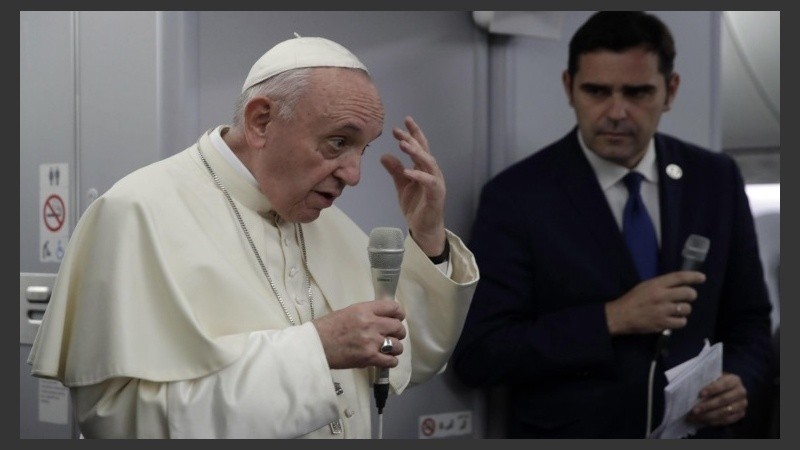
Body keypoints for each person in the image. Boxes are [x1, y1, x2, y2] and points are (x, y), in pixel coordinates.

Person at [27, 35, 479, 439]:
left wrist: (427, 237)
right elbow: (118, 422)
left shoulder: (331, 227)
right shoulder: (137, 212)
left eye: (364, 147)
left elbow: (410, 361)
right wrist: (314, 350)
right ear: (261, 121)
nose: (355, 175)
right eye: (338, 142)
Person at [451, 11, 772, 438]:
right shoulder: (517, 197)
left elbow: (749, 319)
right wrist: (611, 319)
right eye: (597, 91)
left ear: (670, 91)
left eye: (637, 93)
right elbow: (483, 352)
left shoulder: (715, 179)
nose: (617, 112)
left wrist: (740, 378)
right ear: (569, 87)